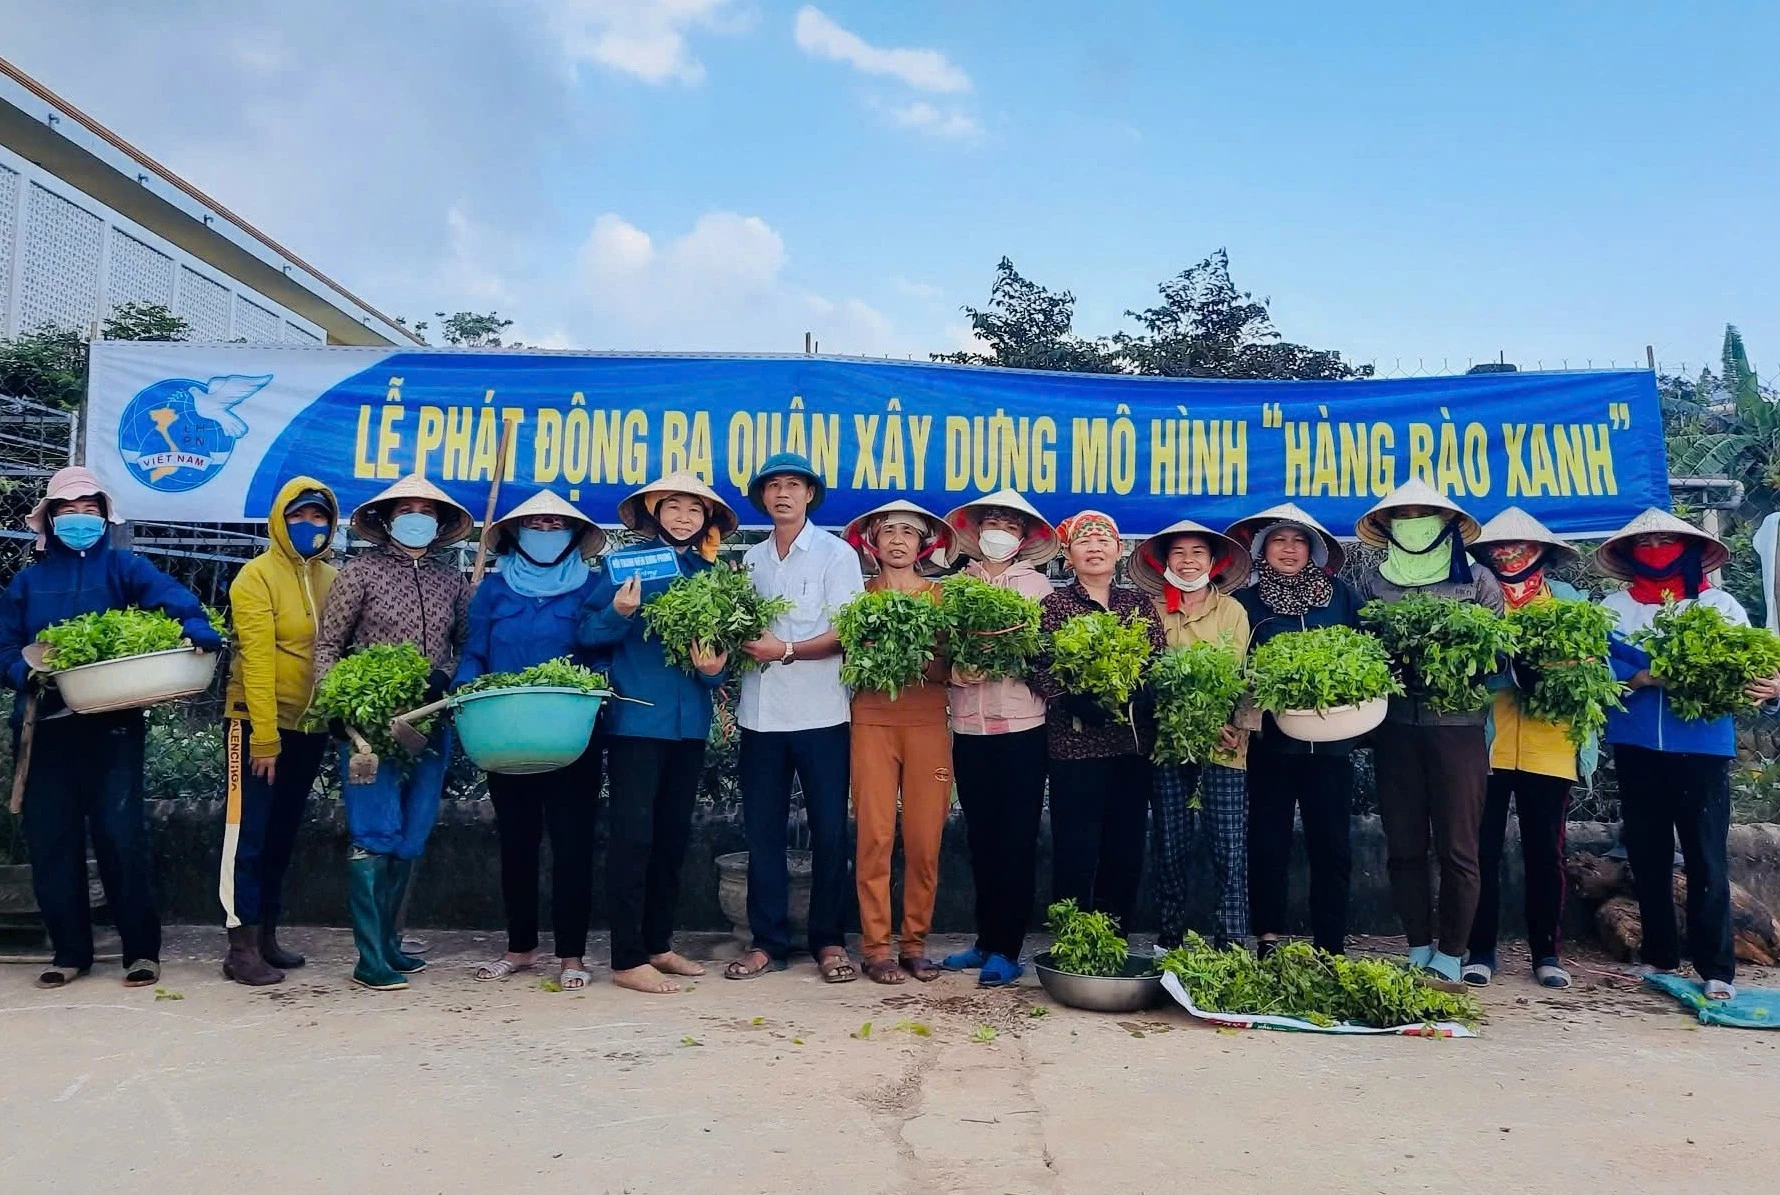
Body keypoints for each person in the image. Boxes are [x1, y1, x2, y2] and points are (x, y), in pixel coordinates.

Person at [0, 466, 222, 989]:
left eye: (89, 510)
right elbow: (4, 647)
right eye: (68, 510)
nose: (80, 519)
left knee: (122, 837)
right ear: (50, 520)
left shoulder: (125, 568)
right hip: (45, 729)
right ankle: (69, 952)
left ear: (105, 516)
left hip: (112, 728)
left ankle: (141, 952)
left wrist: (196, 627)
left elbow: (175, 601)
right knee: (52, 841)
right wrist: (24, 672)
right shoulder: (28, 583)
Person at [1597, 508, 1780, 1002]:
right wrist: (1638, 677)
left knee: (1704, 856)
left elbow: (1753, 671)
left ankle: (1716, 966)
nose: (1656, 547)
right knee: (1648, 855)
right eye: (1646, 541)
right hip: (1635, 744)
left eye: (1666, 540)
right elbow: (1600, 671)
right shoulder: (1614, 608)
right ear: (1630, 553)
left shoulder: (1720, 606)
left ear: (1693, 551)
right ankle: (1659, 956)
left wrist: (1771, 687)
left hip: (1702, 748)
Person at [314, 474, 472, 992]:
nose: (417, 518)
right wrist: (335, 703)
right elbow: (327, 647)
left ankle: (389, 944)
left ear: (441, 523)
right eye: (407, 509)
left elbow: (470, 647)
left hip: (430, 721)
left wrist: (447, 677)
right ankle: (368, 957)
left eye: (427, 511)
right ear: (385, 520)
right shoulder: (357, 574)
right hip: (371, 727)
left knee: (412, 832)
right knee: (373, 831)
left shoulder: (454, 583)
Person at [581, 472, 736, 994]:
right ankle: (626, 958)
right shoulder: (622, 566)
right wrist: (618, 612)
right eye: (674, 507)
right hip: (635, 720)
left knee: (671, 838)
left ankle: (658, 945)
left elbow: (719, 666)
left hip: (689, 725)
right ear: (654, 512)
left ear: (706, 521)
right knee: (632, 838)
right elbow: (587, 634)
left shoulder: (709, 575)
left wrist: (713, 668)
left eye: (696, 510)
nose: (684, 518)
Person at [1353, 479, 1501, 989]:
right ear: (1389, 527)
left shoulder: (1478, 579)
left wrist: (1453, 660)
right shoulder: (1376, 583)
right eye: (1403, 515)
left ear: (1446, 527)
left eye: (1424, 514)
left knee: (1460, 847)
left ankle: (1453, 951)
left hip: (1458, 729)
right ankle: (1417, 944)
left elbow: (1498, 653)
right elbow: (1363, 652)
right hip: (1394, 727)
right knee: (1404, 844)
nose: (1413, 522)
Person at [458, 491, 606, 991]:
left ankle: (571, 955)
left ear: (572, 536)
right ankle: (520, 948)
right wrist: (466, 688)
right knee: (517, 843)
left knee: (573, 845)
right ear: (517, 534)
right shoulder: (494, 590)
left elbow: (600, 651)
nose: (545, 532)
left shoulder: (592, 586)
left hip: (571, 738)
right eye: (536, 524)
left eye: (555, 524)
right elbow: (474, 653)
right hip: (506, 736)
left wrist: (588, 690)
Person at [725, 453, 865, 983]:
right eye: (773, 486)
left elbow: (848, 631)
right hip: (760, 716)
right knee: (762, 831)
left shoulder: (836, 554)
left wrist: (783, 648)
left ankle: (829, 941)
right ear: (763, 497)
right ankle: (768, 942)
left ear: (810, 495)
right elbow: (737, 633)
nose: (783, 493)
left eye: (794, 485)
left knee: (830, 831)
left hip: (821, 713)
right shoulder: (751, 561)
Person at [1465, 508, 1595, 989]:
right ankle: (1481, 949)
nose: (1508, 553)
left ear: (1541, 551)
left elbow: (1591, 669)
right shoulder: (1479, 599)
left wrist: (1550, 672)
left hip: (1551, 743)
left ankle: (1547, 953)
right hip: (1488, 741)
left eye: (1520, 546)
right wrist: (1504, 668)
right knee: (1482, 850)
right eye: (1499, 547)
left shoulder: (1568, 600)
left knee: (1546, 852)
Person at [218, 476, 339, 986]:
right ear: (279, 519)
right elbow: (258, 662)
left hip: (308, 728)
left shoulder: (332, 578)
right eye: (299, 516)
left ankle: (267, 934)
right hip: (254, 729)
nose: (308, 526)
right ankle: (240, 945)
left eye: (319, 518)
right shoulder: (255, 577)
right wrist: (264, 738)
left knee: (282, 835)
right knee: (245, 836)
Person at [1228, 503, 1364, 957]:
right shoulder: (1246, 603)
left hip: (1333, 746)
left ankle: (1330, 944)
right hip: (1271, 745)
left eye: (1298, 541)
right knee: (1268, 843)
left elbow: (1370, 655)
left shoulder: (1342, 596)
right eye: (1279, 541)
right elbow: (1237, 669)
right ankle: (1268, 936)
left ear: (1314, 550)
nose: (1289, 549)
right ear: (1264, 550)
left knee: (1333, 847)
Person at [939, 490, 1058, 988]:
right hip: (968, 727)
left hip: (1022, 729)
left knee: (1015, 839)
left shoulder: (1038, 591)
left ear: (1023, 538)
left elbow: (1051, 659)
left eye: (1009, 525)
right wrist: (953, 670)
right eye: (992, 523)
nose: (999, 532)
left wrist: (1015, 658)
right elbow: (937, 647)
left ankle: (1008, 948)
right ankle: (985, 939)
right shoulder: (954, 587)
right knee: (981, 837)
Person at [1029, 510, 1167, 933]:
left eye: (1103, 541)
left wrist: (1141, 693)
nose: (1094, 548)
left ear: (1119, 551)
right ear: (1068, 556)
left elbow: (1158, 660)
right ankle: (1072, 940)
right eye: (1084, 542)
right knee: (1076, 847)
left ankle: (1113, 938)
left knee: (1123, 848)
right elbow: (1036, 661)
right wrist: (1070, 698)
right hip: (1076, 748)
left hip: (1131, 745)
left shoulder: (1137, 604)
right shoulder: (1055, 605)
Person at [840, 500, 954, 985]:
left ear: (923, 543)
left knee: (926, 840)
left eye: (909, 532)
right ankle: (875, 947)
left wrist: (919, 658)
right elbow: (842, 659)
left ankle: (914, 943)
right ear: (873, 541)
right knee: (875, 837)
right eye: (888, 531)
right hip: (871, 722)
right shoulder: (858, 596)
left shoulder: (942, 598)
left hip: (928, 723)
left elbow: (953, 669)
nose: (898, 540)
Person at [1129, 518, 1252, 953]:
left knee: (1229, 848)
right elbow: (1143, 679)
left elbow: (1248, 681)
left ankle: (1232, 944)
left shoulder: (1233, 611)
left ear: (1213, 561)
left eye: (1197, 552)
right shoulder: (1151, 611)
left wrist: (1236, 726)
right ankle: (1170, 939)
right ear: (1165, 561)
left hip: (1225, 748)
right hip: (1167, 746)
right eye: (1178, 553)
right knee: (1170, 843)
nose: (1187, 561)